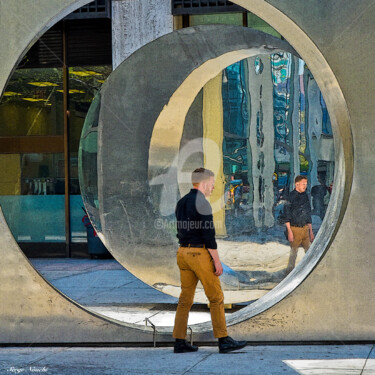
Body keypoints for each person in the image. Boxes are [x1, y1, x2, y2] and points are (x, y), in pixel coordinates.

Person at [173, 168, 247, 354]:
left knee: (185, 300)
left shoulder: (181, 202)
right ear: (204, 183)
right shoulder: (202, 203)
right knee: (216, 297)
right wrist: (217, 261)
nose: (213, 187)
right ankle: (223, 340)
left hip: (182, 253)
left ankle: (179, 341)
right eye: (212, 184)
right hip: (199, 254)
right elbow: (209, 236)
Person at [284, 175, 314, 275]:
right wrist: (289, 231)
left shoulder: (305, 196)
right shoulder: (290, 197)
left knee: (309, 251)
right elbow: (287, 215)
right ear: (297, 184)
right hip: (295, 228)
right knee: (294, 252)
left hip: (305, 228)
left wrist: (311, 231)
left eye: (306, 184)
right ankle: (289, 272)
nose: (305, 186)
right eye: (303, 184)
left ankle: (310, 270)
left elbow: (308, 213)